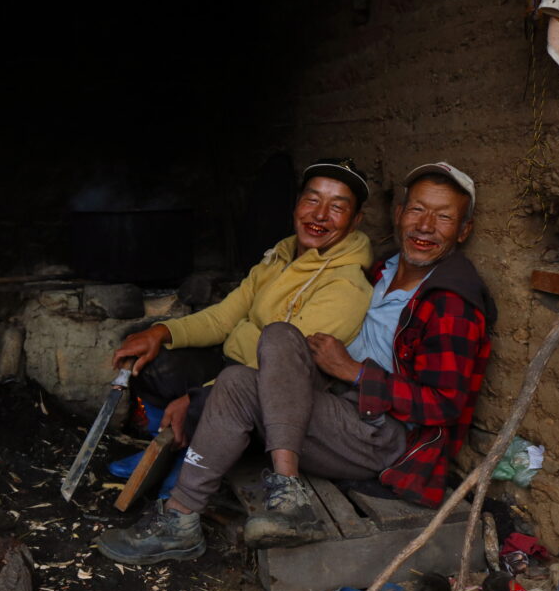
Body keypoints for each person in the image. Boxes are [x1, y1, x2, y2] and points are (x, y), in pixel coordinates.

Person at [97, 161, 497, 565]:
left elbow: (446, 404)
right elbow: (231, 320)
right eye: (417, 210)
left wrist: (355, 372)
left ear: (463, 231)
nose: (425, 226)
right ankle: (183, 520)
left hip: (384, 439)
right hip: (339, 408)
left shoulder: (450, 304)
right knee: (245, 370)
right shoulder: (385, 269)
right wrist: (165, 334)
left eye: (443, 217)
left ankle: (288, 498)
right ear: (398, 214)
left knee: (263, 354)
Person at [108, 158, 375, 496]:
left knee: (207, 400)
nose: (319, 214)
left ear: (356, 220)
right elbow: (223, 317)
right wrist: (160, 332)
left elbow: (280, 371)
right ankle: (164, 448)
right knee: (156, 360)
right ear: (297, 204)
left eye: (337, 207)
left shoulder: (347, 286)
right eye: (312, 199)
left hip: (272, 393)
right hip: (231, 364)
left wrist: (195, 396)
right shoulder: (280, 256)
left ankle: (189, 460)